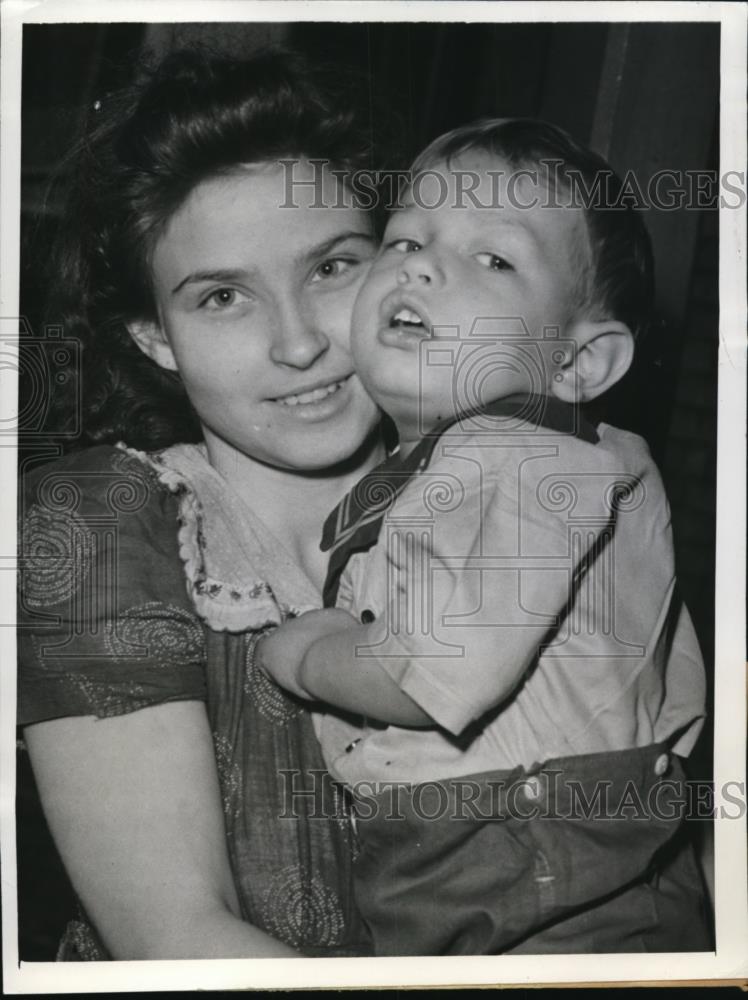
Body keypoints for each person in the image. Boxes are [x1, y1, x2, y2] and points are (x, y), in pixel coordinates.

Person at [258, 119, 712, 955]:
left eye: (494, 259)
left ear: (577, 365)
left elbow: (442, 671)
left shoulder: (520, 459)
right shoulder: (521, 467)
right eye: (403, 240)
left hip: (526, 855)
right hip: (514, 848)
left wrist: (304, 655)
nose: (421, 264)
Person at [17, 47, 387, 959]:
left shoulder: (506, 484)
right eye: (223, 296)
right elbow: (173, 937)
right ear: (155, 337)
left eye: (333, 267)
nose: (297, 342)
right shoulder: (100, 522)